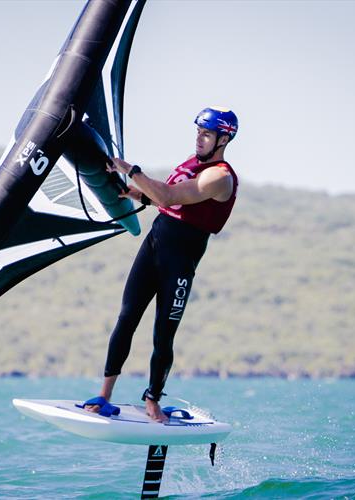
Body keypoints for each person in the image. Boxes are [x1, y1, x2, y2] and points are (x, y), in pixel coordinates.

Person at [80, 107, 240, 423]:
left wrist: (131, 169)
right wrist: (132, 192)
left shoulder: (219, 177)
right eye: (198, 132)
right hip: (155, 242)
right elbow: (164, 201)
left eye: (206, 134)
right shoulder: (192, 164)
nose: (199, 138)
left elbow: (167, 196)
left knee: (163, 334)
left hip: (180, 258)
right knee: (126, 317)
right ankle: (104, 394)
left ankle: (152, 399)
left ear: (223, 139)